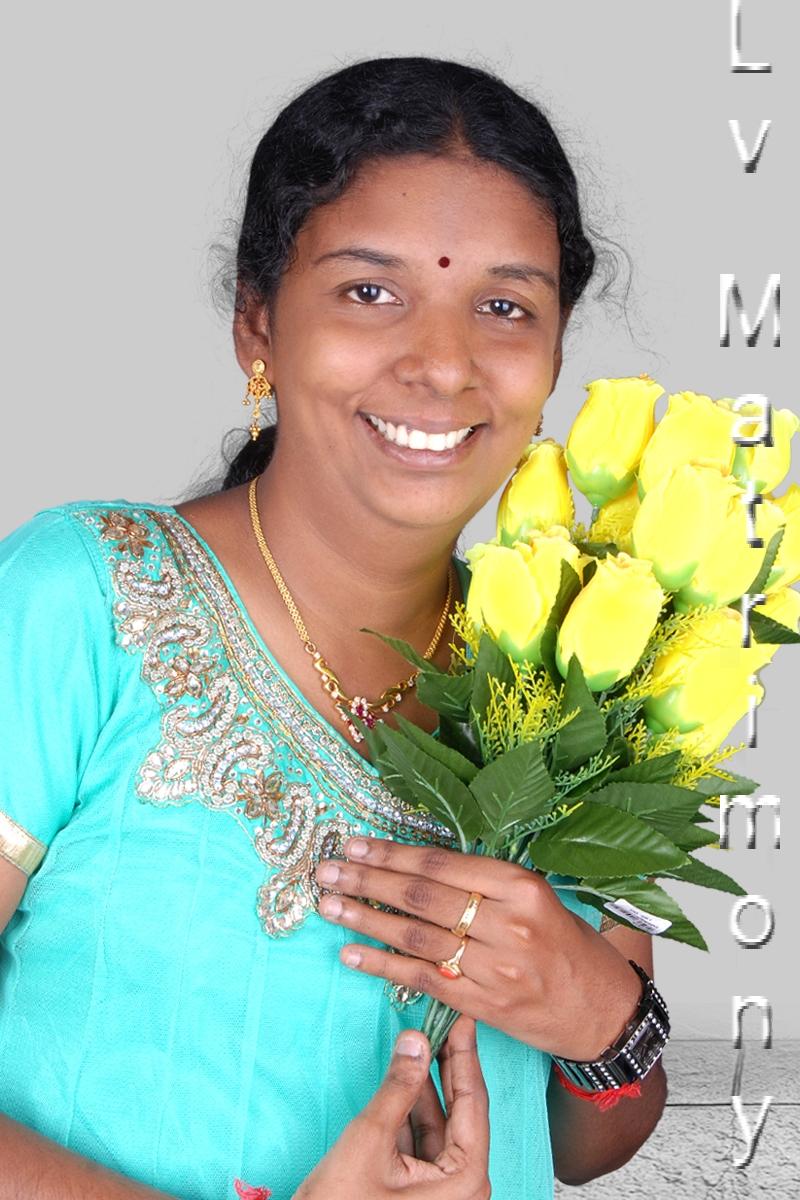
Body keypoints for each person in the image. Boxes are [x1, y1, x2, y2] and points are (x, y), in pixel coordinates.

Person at [0, 55, 668, 1200]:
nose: (442, 363)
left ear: (555, 354)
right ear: (256, 324)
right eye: (368, 291)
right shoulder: (82, 602)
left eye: (503, 307)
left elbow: (582, 1140)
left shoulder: (568, 669)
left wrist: (604, 1019)